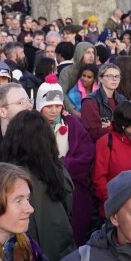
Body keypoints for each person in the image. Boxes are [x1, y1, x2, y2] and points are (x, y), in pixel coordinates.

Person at [0, 110, 76, 261]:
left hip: (24, 257)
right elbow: (69, 207)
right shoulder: (58, 170)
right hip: (61, 253)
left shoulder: (6, 177)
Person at [35, 81, 96, 246]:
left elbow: (86, 152)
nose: (54, 110)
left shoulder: (71, 124)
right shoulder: (32, 126)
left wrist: (63, 164)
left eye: (57, 106)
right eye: (49, 106)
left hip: (72, 183)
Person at [80, 63, 128, 142]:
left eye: (117, 76)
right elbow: (94, 133)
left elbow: (129, 125)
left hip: (120, 144)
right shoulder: (90, 101)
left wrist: (110, 126)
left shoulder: (122, 100)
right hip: (99, 146)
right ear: (100, 78)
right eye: (109, 76)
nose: (114, 79)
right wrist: (118, 126)